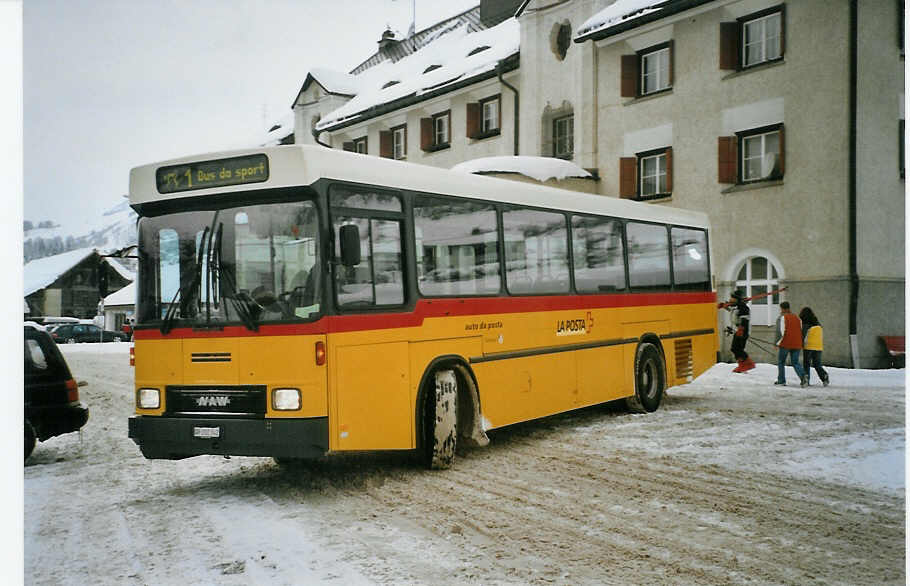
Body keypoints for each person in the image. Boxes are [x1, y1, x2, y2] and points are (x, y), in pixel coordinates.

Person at [774, 301, 808, 387]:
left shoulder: (782, 318)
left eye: (781, 309)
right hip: (797, 343)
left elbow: (780, 332)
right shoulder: (798, 318)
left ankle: (781, 380)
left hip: (786, 343)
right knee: (795, 362)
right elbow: (801, 331)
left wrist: (776, 343)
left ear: (783, 309)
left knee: (781, 362)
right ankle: (803, 376)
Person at [724, 290, 755, 373]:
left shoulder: (743, 308)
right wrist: (724, 306)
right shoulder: (737, 306)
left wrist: (741, 330)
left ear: (736, 299)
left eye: (732, 297)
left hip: (743, 331)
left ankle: (748, 364)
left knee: (738, 348)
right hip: (737, 330)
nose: (730, 299)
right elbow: (732, 309)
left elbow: (745, 320)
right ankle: (742, 365)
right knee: (735, 348)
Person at [799, 306, 830, 387]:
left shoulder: (806, 324)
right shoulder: (817, 324)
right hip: (818, 347)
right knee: (817, 364)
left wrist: (800, 344)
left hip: (809, 346)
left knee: (806, 364)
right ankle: (824, 376)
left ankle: (806, 380)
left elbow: (803, 336)